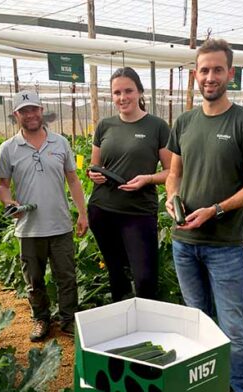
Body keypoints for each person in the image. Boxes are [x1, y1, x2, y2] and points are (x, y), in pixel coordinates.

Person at [165, 38, 243, 392]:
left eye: (217, 70)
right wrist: (171, 197)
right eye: (204, 70)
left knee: (233, 332)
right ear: (195, 74)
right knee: (198, 324)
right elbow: (174, 174)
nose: (210, 77)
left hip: (224, 246)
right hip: (184, 243)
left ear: (230, 74)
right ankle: (207, 385)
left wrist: (216, 209)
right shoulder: (184, 122)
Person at [0, 90, 88, 342]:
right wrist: (8, 201)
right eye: (24, 111)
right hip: (28, 228)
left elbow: (73, 179)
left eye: (34, 109)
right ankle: (41, 319)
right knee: (34, 280)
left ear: (41, 110)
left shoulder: (61, 143)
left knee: (66, 277)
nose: (30, 115)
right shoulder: (8, 148)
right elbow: (2, 186)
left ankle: (69, 320)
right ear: (16, 115)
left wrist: (82, 212)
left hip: (60, 225)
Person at [87, 67, 171, 302]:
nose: (122, 97)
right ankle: (123, 322)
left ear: (140, 92)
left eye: (128, 91)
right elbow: (95, 166)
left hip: (138, 211)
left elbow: (172, 172)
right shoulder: (105, 126)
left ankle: (146, 324)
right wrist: (92, 174)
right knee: (116, 273)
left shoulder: (157, 126)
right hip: (102, 210)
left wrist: (148, 179)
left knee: (145, 277)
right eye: (116, 93)